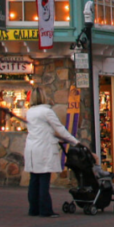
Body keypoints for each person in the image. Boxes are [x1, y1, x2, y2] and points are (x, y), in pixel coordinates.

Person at [24, 87, 80, 217]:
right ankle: (45, 210)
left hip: (32, 147)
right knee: (44, 179)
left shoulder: (30, 112)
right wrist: (75, 142)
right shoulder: (46, 112)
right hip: (44, 148)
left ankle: (33, 209)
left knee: (34, 180)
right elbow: (60, 129)